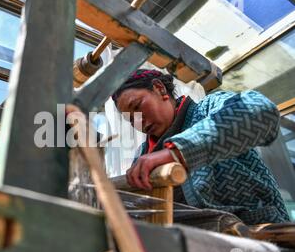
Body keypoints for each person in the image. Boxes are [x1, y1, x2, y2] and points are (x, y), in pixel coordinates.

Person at [112, 69, 290, 225]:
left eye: (137, 106)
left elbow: (262, 112)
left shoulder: (208, 109)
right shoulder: (143, 155)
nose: (137, 121)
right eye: (130, 118)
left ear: (160, 89)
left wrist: (176, 153)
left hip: (262, 236)